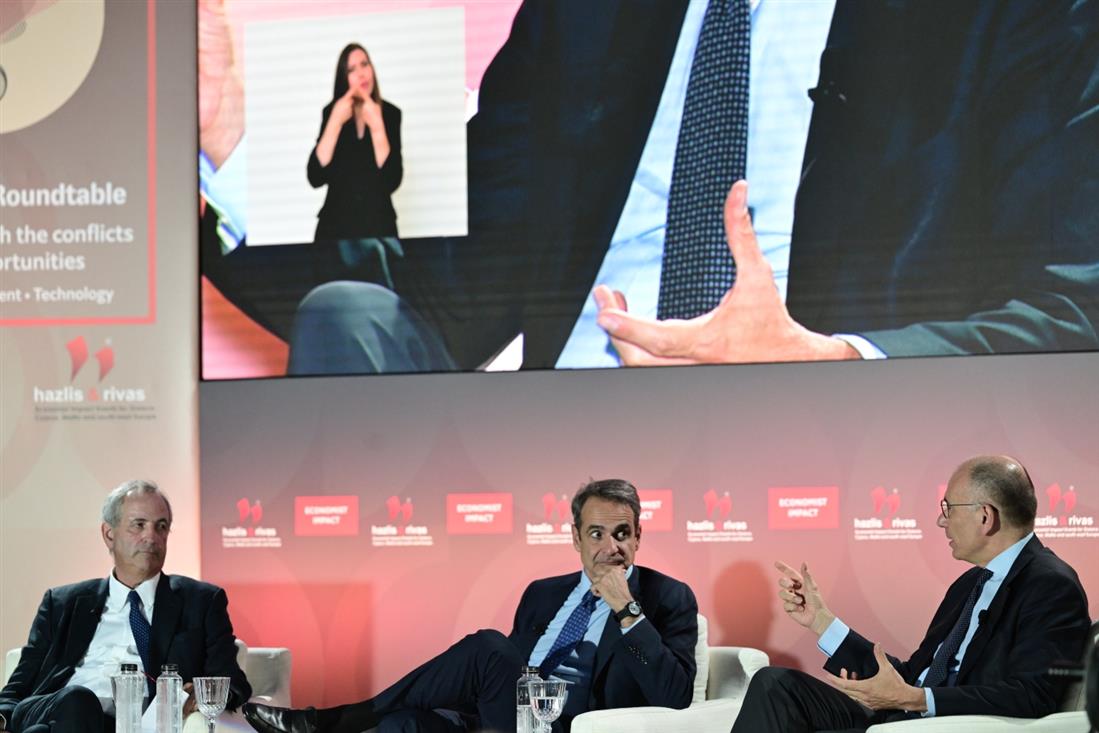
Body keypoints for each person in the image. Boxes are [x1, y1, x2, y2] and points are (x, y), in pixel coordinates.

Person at [200, 0, 1099, 375]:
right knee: (350, 313)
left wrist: (834, 363)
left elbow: (1072, 305)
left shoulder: (1010, 16)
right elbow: (440, 285)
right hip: (557, 462)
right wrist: (230, 136)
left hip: (828, 451)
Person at [242, 479, 698, 733]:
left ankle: (328, 723)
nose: (610, 547)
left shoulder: (667, 598)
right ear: (576, 538)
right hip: (502, 718)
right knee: (403, 724)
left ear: (638, 537)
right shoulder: (543, 593)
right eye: (596, 534)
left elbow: (675, 697)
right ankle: (346, 722)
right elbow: (510, 673)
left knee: (488, 647)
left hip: (567, 724)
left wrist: (626, 610)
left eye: (622, 534)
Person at [730, 455, 1091, 732]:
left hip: (949, 726)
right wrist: (822, 622)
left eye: (948, 509)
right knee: (775, 685)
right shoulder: (969, 585)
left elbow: (1033, 694)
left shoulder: (1050, 585)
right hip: (903, 718)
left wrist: (918, 700)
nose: (941, 521)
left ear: (985, 517)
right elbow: (911, 676)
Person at [0, 480, 251, 732]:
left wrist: (198, 692)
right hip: (56, 708)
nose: (151, 537)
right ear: (109, 534)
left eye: (161, 526)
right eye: (138, 525)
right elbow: (17, 688)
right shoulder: (62, 602)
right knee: (76, 699)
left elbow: (232, 681)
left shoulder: (201, 601)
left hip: (129, 724)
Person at [308, 42, 403, 242]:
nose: (361, 74)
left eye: (364, 64)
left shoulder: (391, 114)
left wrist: (377, 126)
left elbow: (392, 180)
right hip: (335, 231)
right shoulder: (332, 112)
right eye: (352, 70)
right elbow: (315, 176)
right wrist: (335, 122)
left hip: (379, 230)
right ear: (344, 79)